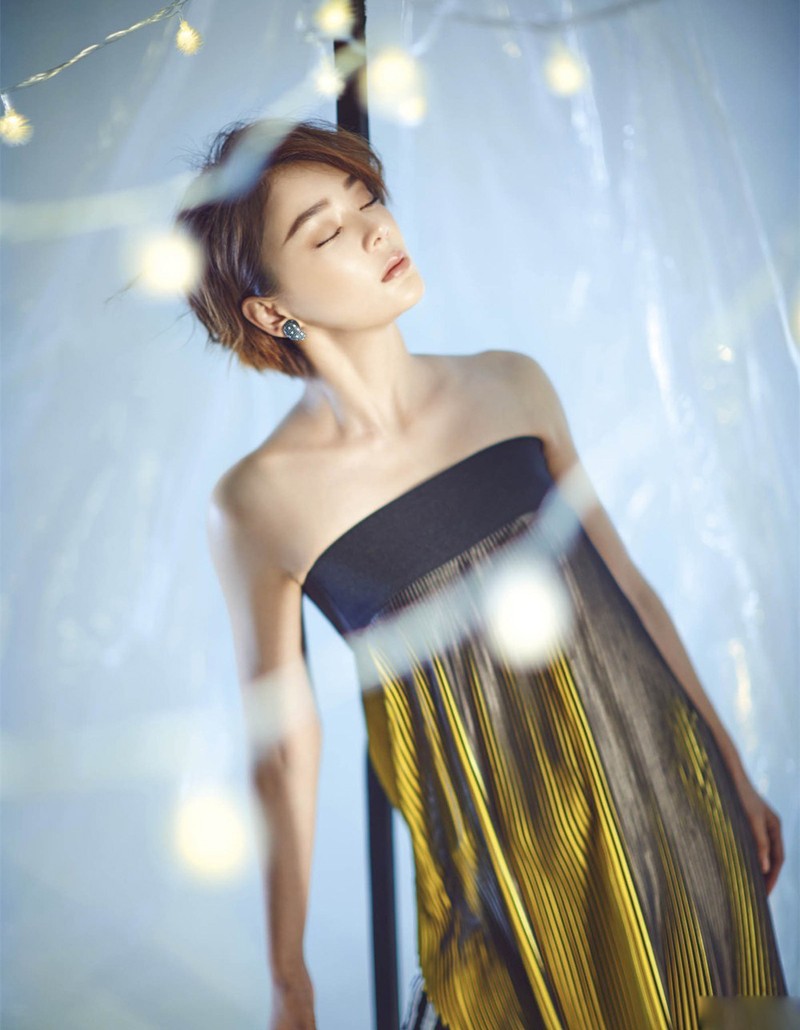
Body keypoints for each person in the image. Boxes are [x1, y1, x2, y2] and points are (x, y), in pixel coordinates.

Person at [176, 117, 787, 1030]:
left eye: (367, 199)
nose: (377, 229)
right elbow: (284, 747)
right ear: (270, 311)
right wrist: (288, 976)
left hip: (663, 802)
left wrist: (728, 764)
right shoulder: (259, 502)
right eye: (327, 231)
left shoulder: (511, 384)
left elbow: (628, 587)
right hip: (503, 869)